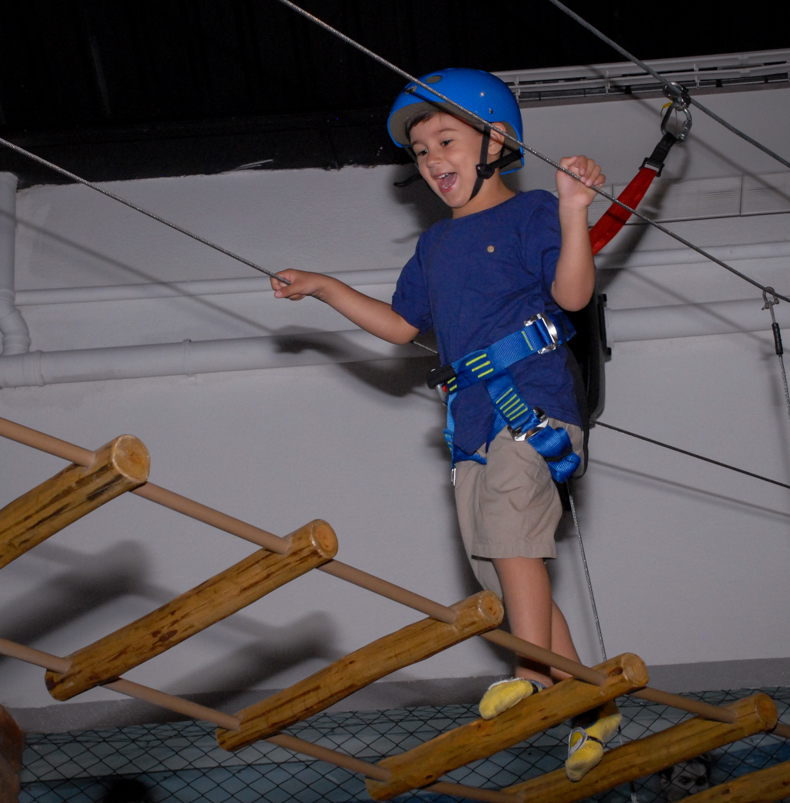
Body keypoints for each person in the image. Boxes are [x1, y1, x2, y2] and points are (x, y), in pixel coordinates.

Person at [271, 68, 618, 781]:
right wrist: (327, 288)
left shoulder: (531, 215)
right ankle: (591, 705)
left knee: (513, 537)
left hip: (532, 404)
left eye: (446, 141)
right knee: (500, 563)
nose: (432, 160)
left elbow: (572, 293)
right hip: (470, 422)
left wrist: (574, 212)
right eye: (422, 150)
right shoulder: (434, 248)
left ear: (496, 141)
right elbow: (402, 326)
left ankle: (532, 674)